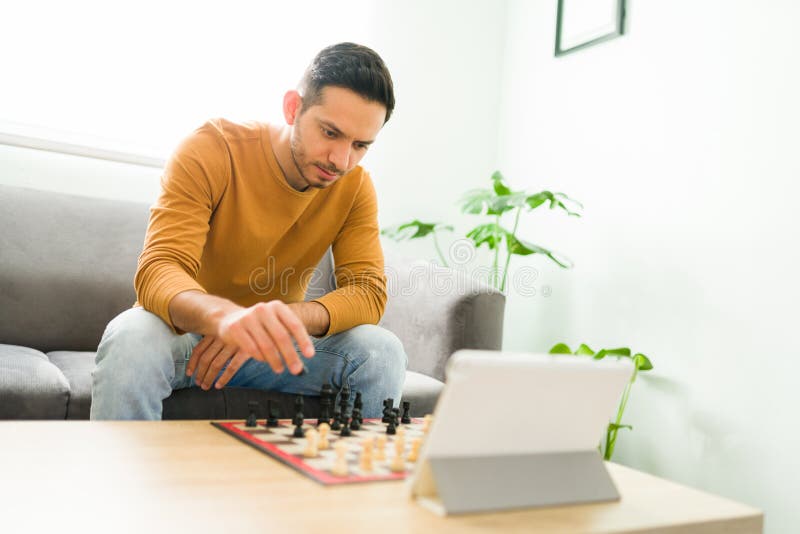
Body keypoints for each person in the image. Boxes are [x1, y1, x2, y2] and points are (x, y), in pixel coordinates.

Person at [90, 43, 407, 420]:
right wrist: (225, 319)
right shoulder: (212, 149)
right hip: (186, 337)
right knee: (131, 339)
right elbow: (159, 269)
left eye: (360, 145)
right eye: (330, 132)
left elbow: (368, 293)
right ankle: (119, 479)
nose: (341, 159)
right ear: (293, 108)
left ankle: (351, 478)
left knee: (381, 352)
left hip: (273, 348)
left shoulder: (355, 186)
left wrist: (276, 322)